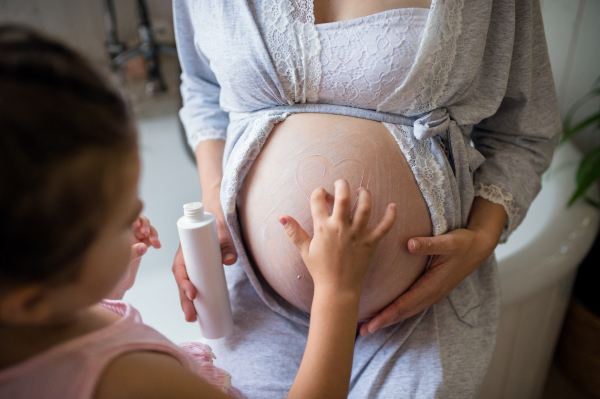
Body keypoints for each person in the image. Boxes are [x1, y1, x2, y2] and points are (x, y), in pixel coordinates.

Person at [171, 0, 562, 397]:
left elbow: (524, 133)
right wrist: (212, 203)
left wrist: (480, 239)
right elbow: (204, 90)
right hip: (254, 300)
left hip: (419, 312)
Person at [0, 26, 397, 399]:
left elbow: (81, 307)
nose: (140, 211)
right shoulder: (131, 382)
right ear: (34, 297)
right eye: (120, 220)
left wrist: (110, 282)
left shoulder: (41, 319)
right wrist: (337, 291)